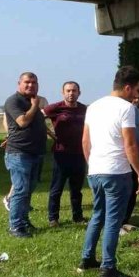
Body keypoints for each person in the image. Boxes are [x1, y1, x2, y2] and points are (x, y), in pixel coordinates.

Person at [78, 66, 139, 277]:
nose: (136, 94)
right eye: (136, 89)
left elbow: (85, 141)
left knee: (98, 214)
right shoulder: (126, 109)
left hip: (96, 170)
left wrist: (92, 164)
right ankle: (108, 269)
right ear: (127, 87)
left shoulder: (93, 106)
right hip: (116, 171)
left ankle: (87, 259)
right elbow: (130, 144)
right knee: (113, 220)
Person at [2, 72, 48, 238]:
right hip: (19, 153)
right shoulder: (13, 101)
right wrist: (35, 106)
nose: (31, 85)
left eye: (34, 83)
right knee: (20, 190)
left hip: (36, 152)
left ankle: (24, 221)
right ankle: (15, 226)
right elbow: (22, 122)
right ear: (19, 83)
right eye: (27, 82)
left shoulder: (33, 100)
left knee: (28, 190)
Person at [43, 81, 87, 227]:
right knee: (57, 187)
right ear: (63, 93)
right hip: (61, 154)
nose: (71, 93)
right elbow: (37, 118)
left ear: (79, 93)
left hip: (80, 154)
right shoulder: (55, 108)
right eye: (68, 91)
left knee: (76, 188)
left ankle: (78, 216)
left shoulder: (84, 109)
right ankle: (53, 218)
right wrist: (49, 133)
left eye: (74, 91)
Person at [121, 97, 139, 234]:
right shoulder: (123, 109)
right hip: (123, 157)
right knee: (123, 190)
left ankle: (126, 219)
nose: (136, 99)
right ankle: (118, 223)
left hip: (135, 155)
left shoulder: (136, 110)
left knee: (133, 188)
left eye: (138, 97)